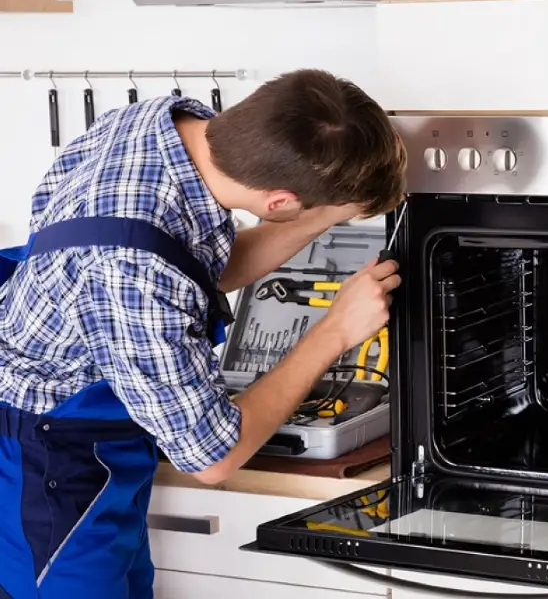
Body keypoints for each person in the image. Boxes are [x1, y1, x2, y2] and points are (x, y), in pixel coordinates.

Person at [0, 69, 406, 599]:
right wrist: (333, 331)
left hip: (98, 440)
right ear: (280, 201)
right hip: (51, 467)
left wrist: (323, 215)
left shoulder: (154, 123)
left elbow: (202, 265)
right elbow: (214, 458)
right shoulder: (130, 272)